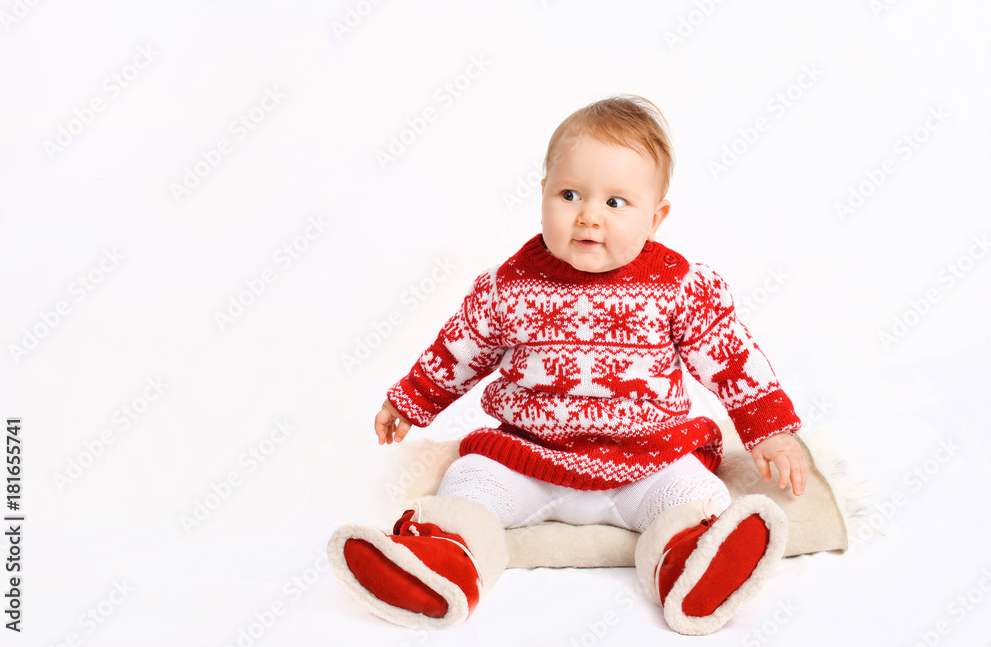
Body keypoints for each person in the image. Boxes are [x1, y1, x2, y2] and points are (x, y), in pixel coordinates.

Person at [328, 94, 807, 635]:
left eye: (616, 202)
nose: (588, 215)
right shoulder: (509, 286)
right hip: (529, 459)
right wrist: (410, 400)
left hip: (647, 460)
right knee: (466, 481)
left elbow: (732, 356)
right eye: (570, 194)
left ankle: (692, 563)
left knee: (699, 496)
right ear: (543, 194)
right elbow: (459, 350)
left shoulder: (678, 286)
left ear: (656, 218)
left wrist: (770, 429)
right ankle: (439, 563)